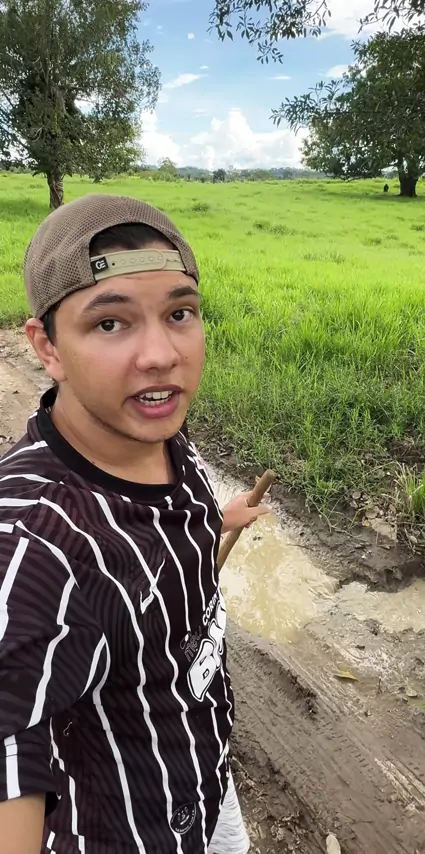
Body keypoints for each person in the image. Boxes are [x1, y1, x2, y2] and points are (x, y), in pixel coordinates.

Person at [0, 195, 271, 854]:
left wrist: (217, 518)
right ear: (47, 347)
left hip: (204, 773)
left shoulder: (160, 430)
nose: (160, 354)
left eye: (179, 314)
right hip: (125, 830)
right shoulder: (34, 546)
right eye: (110, 323)